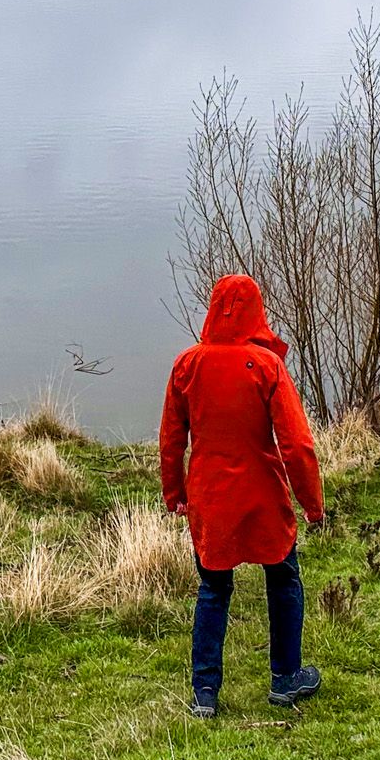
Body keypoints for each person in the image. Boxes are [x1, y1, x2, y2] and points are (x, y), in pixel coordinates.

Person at [159, 272, 325, 718]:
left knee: (213, 587)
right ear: (257, 312)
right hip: (262, 493)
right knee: (283, 578)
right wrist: (312, 503)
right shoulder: (267, 366)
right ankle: (285, 678)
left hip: (210, 496)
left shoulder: (186, 365)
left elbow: (171, 439)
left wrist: (174, 492)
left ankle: (205, 692)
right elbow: (297, 445)